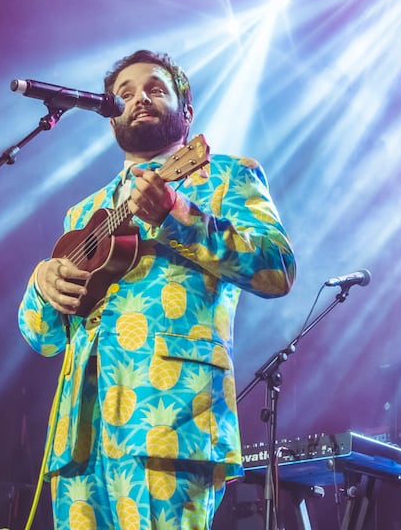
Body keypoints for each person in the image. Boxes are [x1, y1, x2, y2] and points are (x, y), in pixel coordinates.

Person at [18, 49, 296, 530]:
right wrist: (41, 286)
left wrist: (180, 216)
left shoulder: (228, 174)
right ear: (111, 120)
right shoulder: (82, 214)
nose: (138, 98)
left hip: (169, 417)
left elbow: (277, 269)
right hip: (81, 436)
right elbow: (44, 338)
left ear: (187, 112)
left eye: (155, 88)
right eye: (124, 94)